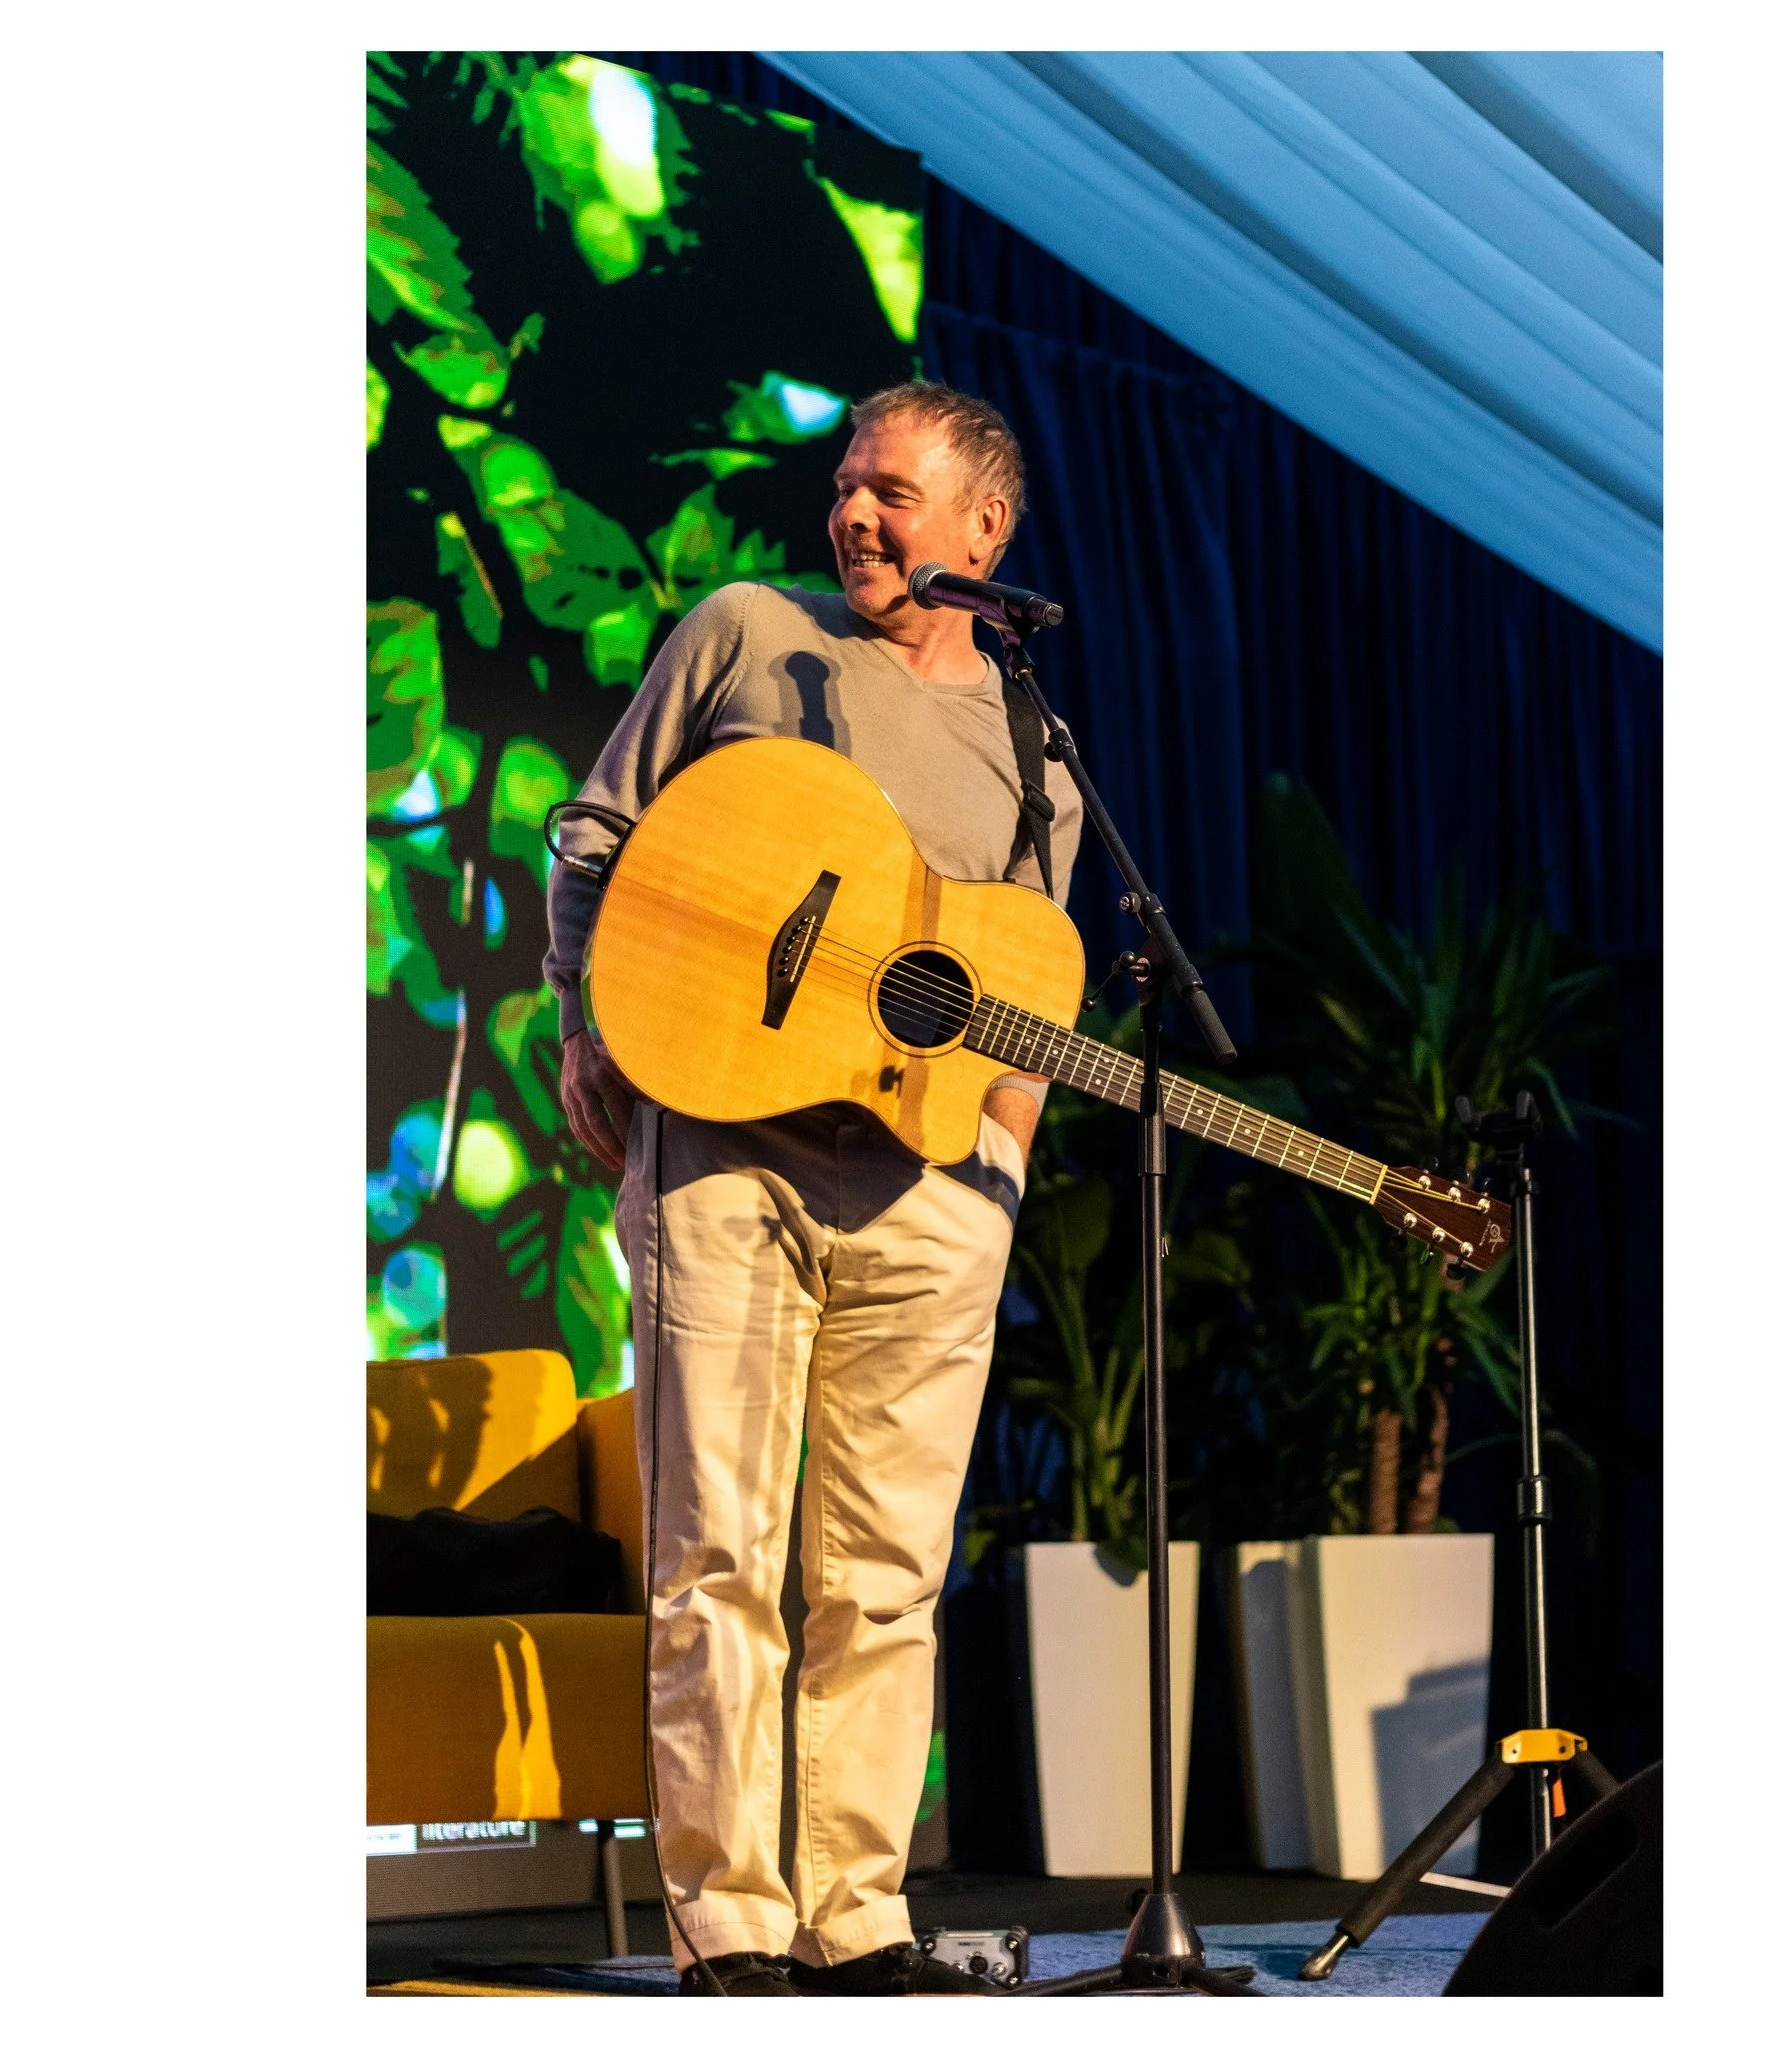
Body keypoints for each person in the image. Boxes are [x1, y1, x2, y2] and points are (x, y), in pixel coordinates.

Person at [543, 383, 1082, 1996]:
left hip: (929, 1195)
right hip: (725, 1156)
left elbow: (1031, 986)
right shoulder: (745, 634)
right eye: (846, 486)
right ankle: (734, 1922)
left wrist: (1005, 1159)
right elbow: (595, 829)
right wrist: (584, 1015)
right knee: (720, 1545)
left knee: (886, 1570)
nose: (853, 515)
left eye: (893, 495)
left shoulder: (1036, 749)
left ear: (988, 531)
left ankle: (858, 1917)